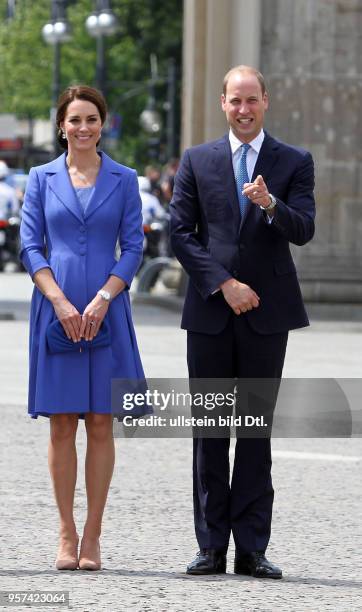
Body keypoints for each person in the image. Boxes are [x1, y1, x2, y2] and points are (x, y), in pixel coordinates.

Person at [170, 65, 315, 579]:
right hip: (210, 312)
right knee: (210, 431)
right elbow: (180, 234)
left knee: (255, 431)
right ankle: (210, 546)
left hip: (266, 317)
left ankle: (252, 548)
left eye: (251, 100)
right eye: (235, 101)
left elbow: (304, 229)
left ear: (265, 101)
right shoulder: (198, 160)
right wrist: (223, 284)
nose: (244, 110)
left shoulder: (293, 161)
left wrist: (271, 204)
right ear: (222, 103)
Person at [20, 85, 148, 571]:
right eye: (75, 120)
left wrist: (101, 298)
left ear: (103, 124)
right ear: (61, 126)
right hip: (55, 311)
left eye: (91, 119)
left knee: (99, 420)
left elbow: (133, 247)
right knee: (60, 424)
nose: (83, 128)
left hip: (106, 310)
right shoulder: (40, 177)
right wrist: (59, 301)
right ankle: (65, 533)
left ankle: (93, 534)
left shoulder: (124, 178)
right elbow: (31, 246)